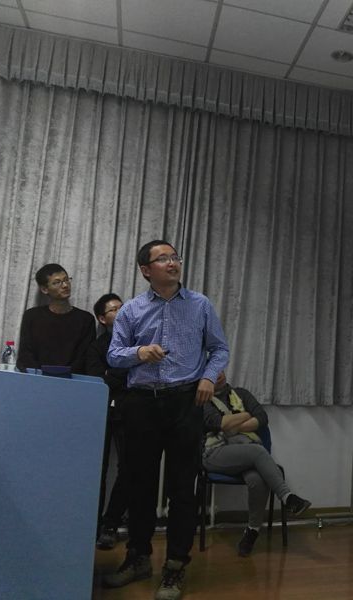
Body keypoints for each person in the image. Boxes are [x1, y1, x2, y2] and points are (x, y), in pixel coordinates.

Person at [104, 240, 229, 600]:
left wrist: (209, 377)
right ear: (146, 270)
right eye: (163, 259)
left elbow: (219, 349)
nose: (173, 263)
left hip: (185, 402)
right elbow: (113, 355)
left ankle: (175, 566)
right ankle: (138, 558)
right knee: (139, 485)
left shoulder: (200, 305)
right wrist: (139, 352)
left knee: (182, 488)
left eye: (175, 257)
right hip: (142, 404)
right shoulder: (131, 309)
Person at [203, 372, 311, 556]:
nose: (219, 374)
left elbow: (261, 417)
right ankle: (287, 497)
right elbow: (219, 423)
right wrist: (246, 415)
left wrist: (235, 425)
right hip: (215, 453)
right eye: (214, 371)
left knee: (258, 480)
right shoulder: (202, 398)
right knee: (258, 451)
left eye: (221, 369)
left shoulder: (242, 394)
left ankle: (252, 532)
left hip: (245, 451)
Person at [86, 293, 129, 550]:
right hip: (101, 412)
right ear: (103, 319)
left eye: (122, 307)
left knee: (128, 468)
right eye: (114, 309)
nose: (121, 311)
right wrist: (121, 372)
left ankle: (111, 523)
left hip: (129, 412)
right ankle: (91, 527)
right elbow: (96, 380)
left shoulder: (137, 340)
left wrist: (112, 373)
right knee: (97, 470)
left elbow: (138, 372)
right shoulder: (97, 346)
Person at [17, 263, 95, 373]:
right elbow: (25, 354)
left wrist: (64, 376)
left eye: (66, 280)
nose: (65, 285)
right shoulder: (32, 316)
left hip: (72, 379)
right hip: (36, 378)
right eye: (57, 282)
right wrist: (40, 375)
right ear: (44, 289)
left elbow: (84, 357)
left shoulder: (86, 319)